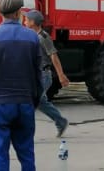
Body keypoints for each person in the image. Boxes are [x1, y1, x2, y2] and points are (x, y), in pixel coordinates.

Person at [0, 0, 42, 171]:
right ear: (19, 12)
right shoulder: (32, 38)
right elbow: (38, 73)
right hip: (25, 102)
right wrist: (35, 98)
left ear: (0, 12)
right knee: (27, 152)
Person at [23, 9, 69, 138]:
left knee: (30, 103)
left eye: (26, 19)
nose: (24, 21)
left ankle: (23, 134)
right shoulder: (31, 36)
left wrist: (61, 75)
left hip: (44, 75)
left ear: (32, 22)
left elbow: (53, 56)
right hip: (35, 75)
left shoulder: (44, 37)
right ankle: (61, 121)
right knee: (41, 102)